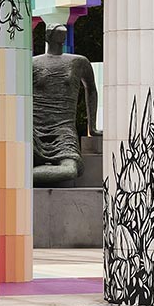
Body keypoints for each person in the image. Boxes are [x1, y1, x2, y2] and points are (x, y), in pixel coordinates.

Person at [31, 23, 98, 186]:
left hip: (63, 130)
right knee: (16, 160)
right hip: (34, 128)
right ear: (47, 36)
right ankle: (17, 177)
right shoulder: (32, 63)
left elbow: (91, 90)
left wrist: (92, 127)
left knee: (70, 169)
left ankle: (19, 178)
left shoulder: (78, 62)